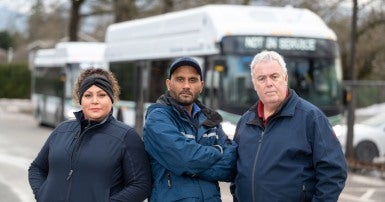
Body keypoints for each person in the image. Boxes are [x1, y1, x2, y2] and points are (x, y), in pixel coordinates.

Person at [232, 50, 348, 201]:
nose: (269, 83)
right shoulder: (245, 121)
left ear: (285, 78)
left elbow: (333, 173)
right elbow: (237, 172)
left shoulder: (312, 118)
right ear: (254, 84)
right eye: (261, 78)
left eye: (274, 76)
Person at [28, 68, 152, 202]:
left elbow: (141, 184)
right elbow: (37, 168)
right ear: (80, 99)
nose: (95, 101)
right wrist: (43, 195)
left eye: (101, 95)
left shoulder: (127, 136)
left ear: (112, 98)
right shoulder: (62, 130)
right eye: (88, 95)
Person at [143, 57, 237, 201]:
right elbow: (185, 160)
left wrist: (190, 168)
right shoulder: (157, 118)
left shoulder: (210, 120)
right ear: (169, 84)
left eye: (192, 80)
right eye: (180, 79)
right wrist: (217, 150)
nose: (186, 85)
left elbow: (230, 166)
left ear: (201, 85)